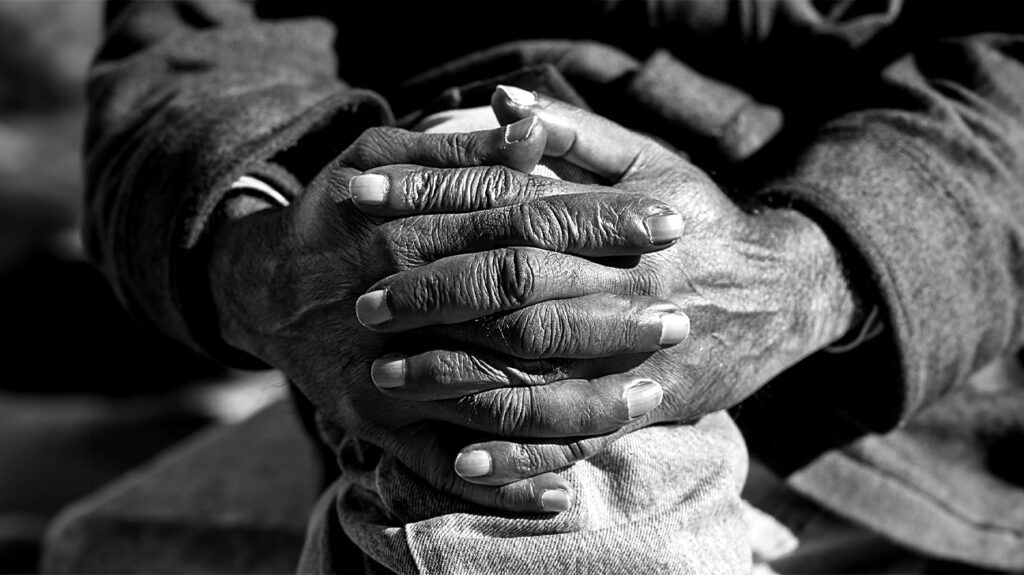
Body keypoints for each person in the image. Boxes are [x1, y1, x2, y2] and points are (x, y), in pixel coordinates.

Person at [84, 0, 1024, 573]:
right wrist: (267, 260)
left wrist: (809, 270)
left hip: (914, 369)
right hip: (435, 179)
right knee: (515, 342)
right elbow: (184, 67)